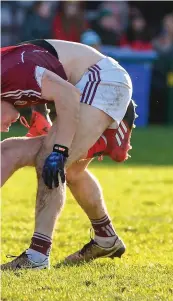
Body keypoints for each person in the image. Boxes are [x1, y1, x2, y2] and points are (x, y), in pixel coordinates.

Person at [1, 39, 135, 270]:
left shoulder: (8, 74)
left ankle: (37, 257)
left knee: (45, 158)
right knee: (71, 170)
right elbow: (40, 70)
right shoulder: (8, 74)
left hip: (98, 81)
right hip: (98, 81)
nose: (2, 127)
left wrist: (60, 149)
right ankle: (106, 238)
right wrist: (41, 114)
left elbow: (67, 93)